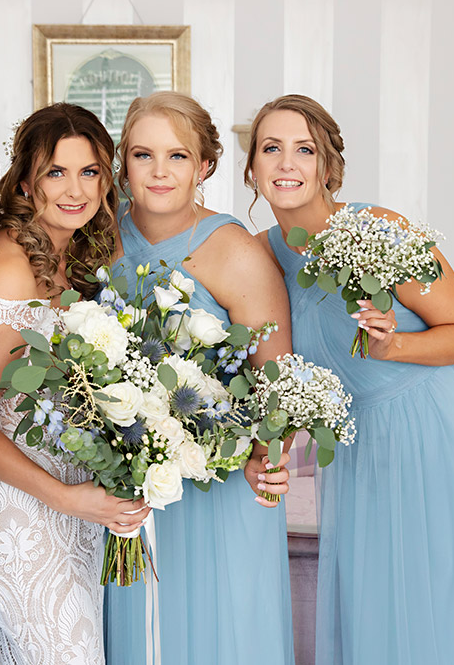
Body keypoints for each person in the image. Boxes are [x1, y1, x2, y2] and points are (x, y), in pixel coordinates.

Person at [247, 94, 454, 664]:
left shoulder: (377, 229)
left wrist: (395, 343)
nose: (286, 164)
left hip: (439, 432)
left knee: (446, 606)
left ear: (328, 166)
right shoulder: (262, 255)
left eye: (304, 149)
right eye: (270, 149)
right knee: (375, 608)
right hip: (360, 447)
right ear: (250, 168)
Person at [0, 102, 150, 665]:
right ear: (26, 180)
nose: (75, 189)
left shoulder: (82, 260)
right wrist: (65, 497)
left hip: (80, 505)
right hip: (20, 510)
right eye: (55, 172)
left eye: (89, 172)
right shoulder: (6, 266)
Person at [103, 91, 295, 665]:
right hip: (122, 479)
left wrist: (268, 454)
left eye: (178, 156)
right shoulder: (98, 236)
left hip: (218, 481)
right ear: (123, 163)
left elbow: (275, 380)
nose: (159, 172)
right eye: (143, 155)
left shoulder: (235, 251)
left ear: (205, 166)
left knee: (221, 634)